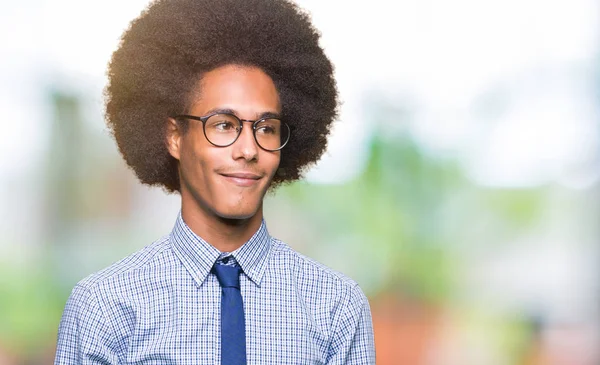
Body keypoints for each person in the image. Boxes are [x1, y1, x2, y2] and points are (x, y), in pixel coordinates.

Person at [54, 0, 376, 364]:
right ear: (175, 137)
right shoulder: (106, 306)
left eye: (266, 129)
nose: (248, 149)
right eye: (224, 125)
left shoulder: (335, 307)